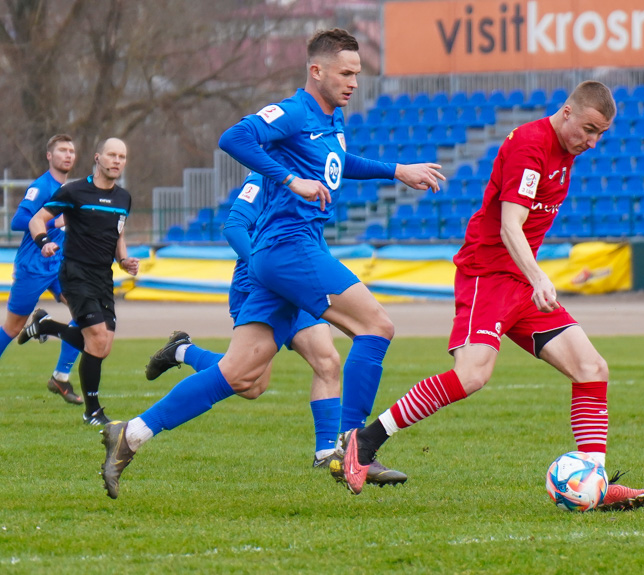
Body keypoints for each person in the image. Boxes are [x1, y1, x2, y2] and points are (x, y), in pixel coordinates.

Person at [99, 28, 443, 499]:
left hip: (285, 253)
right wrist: (289, 179)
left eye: (358, 75)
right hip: (290, 249)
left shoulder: (332, 120)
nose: (354, 83)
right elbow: (233, 137)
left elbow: (341, 162)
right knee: (376, 327)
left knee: (240, 374)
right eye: (346, 73)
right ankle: (352, 448)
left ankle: (131, 434)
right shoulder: (295, 110)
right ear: (316, 70)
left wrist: (396, 171)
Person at [333, 81, 644, 511]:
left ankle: (593, 481)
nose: (593, 142)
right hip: (488, 277)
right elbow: (509, 226)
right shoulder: (530, 144)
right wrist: (539, 276)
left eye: (601, 134)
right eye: (589, 129)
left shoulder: (566, 150)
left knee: (592, 367)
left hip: (520, 283)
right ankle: (364, 442)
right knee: (472, 376)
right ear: (566, 112)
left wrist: (531, 278)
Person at [144, 171, 361, 469]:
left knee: (328, 361)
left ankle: (325, 454)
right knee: (252, 385)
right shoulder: (264, 176)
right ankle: (182, 350)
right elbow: (234, 227)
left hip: (297, 284)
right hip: (258, 289)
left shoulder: (312, 175)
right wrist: (264, 268)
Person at [19, 137, 139, 425]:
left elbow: (118, 236)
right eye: (112, 155)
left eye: (122, 157)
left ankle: (46, 326)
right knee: (96, 337)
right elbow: (36, 219)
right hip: (75, 273)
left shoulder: (124, 199)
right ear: (98, 157)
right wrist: (44, 241)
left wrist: (124, 260)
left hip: (103, 277)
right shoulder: (73, 191)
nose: (117, 161)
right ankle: (92, 411)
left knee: (103, 345)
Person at [0, 134, 82, 404]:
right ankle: (39, 324)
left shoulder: (66, 188)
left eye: (71, 151)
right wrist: (56, 222)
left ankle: (60, 377)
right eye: (62, 150)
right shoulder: (42, 186)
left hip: (57, 266)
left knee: (85, 313)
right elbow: (19, 220)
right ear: (49, 156)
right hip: (34, 266)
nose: (68, 155)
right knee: (12, 328)